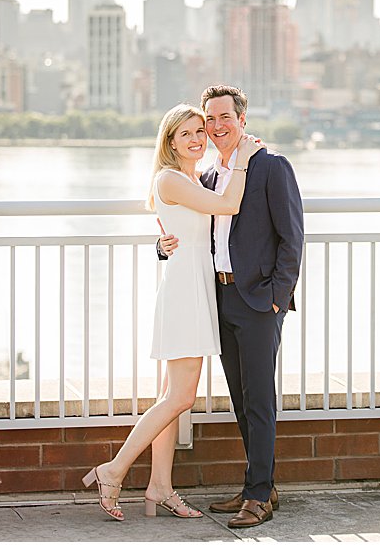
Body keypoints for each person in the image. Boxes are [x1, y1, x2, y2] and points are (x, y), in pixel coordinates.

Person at [81, 104, 263, 521]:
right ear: (170, 141)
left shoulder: (190, 177)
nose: (198, 138)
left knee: (171, 397)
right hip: (185, 292)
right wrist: (246, 159)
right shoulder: (170, 178)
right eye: (187, 134)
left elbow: (186, 231)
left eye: (201, 130)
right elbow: (229, 206)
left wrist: (163, 244)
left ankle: (160, 486)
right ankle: (113, 470)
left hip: (191, 286)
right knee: (181, 396)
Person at [155, 84, 305, 528]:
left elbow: (292, 239)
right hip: (218, 297)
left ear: (243, 119)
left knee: (258, 399)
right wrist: (162, 246)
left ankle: (258, 496)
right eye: (209, 120)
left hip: (258, 300)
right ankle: (260, 486)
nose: (217, 127)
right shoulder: (209, 176)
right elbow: (188, 226)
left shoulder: (271, 166)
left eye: (225, 118)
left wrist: (278, 298)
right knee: (240, 397)